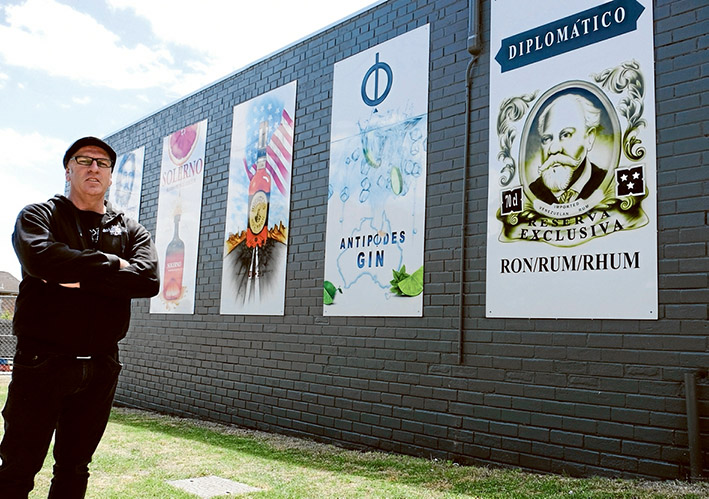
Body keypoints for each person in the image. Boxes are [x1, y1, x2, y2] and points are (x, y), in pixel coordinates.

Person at [0, 137, 160, 498]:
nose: (94, 168)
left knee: (74, 468)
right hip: (42, 362)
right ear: (68, 170)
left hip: (101, 365)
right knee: (17, 468)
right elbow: (42, 259)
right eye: (84, 160)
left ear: (111, 175)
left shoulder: (130, 229)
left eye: (103, 163)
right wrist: (114, 264)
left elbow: (148, 280)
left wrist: (76, 277)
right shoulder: (38, 216)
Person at [528, 93, 607, 205]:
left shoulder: (608, 182)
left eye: (566, 135)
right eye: (547, 139)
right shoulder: (532, 193)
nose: (554, 149)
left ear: (589, 138)